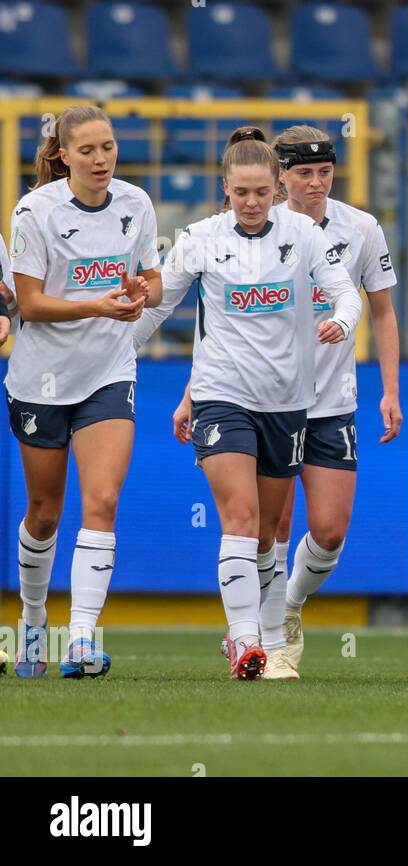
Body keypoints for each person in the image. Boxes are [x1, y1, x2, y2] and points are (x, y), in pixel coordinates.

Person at [146, 127, 361, 680]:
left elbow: (345, 292)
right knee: (240, 518)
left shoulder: (303, 234)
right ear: (225, 188)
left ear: (276, 188)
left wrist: (341, 320)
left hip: (287, 402)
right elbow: (159, 304)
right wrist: (119, 348)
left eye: (261, 192)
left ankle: (265, 637)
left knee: (266, 533)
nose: (250, 202)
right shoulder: (199, 238)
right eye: (240, 192)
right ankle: (248, 643)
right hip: (223, 396)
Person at [7, 105, 160, 680]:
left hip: (108, 374)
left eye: (109, 147)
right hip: (41, 381)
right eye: (88, 150)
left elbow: (153, 280)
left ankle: (81, 639)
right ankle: (33, 618)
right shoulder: (35, 211)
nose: (101, 159)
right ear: (63, 155)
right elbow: (29, 304)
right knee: (45, 514)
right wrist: (96, 305)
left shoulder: (136, 203)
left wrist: (140, 291)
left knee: (102, 501)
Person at [248, 125, 403, 680]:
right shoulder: (259, 227)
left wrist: (390, 389)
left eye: (324, 171)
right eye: (303, 173)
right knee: (272, 526)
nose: (315, 182)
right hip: (268, 397)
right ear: (281, 176)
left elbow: (382, 310)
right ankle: (262, 633)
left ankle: (288, 604)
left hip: (334, 401)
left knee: (331, 532)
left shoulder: (361, 228)